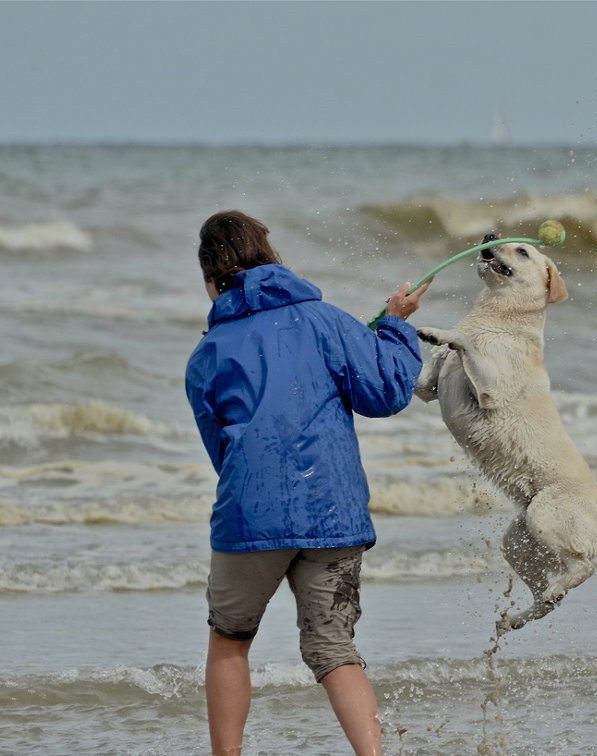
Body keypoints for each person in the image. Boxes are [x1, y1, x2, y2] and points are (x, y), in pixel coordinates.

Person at [185, 210, 429, 756]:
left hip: (253, 516)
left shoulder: (209, 351)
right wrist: (394, 323)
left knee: (230, 639)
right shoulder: (325, 320)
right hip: (333, 512)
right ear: (271, 259)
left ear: (211, 280)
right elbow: (388, 390)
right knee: (333, 647)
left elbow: (220, 451)